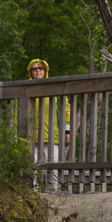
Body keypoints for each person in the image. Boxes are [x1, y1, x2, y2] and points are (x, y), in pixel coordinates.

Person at [25, 58, 70, 189]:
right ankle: (34, 190)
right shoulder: (25, 89)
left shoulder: (54, 89)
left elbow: (66, 111)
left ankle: (53, 189)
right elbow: (17, 113)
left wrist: (67, 130)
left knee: (53, 163)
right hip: (30, 136)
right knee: (32, 164)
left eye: (41, 68)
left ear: (45, 71)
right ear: (30, 72)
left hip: (52, 135)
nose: (38, 71)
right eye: (35, 69)